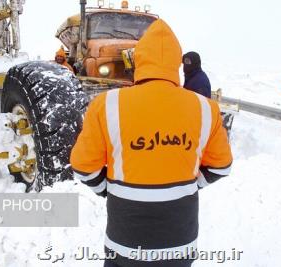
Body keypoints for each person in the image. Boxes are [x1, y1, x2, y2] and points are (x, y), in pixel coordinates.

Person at [70, 19, 232, 267]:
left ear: (138, 59)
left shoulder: (107, 105)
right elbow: (221, 166)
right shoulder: (206, 109)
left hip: (125, 242)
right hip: (180, 243)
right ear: (177, 62)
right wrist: (188, 187)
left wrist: (108, 189)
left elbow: (83, 166)